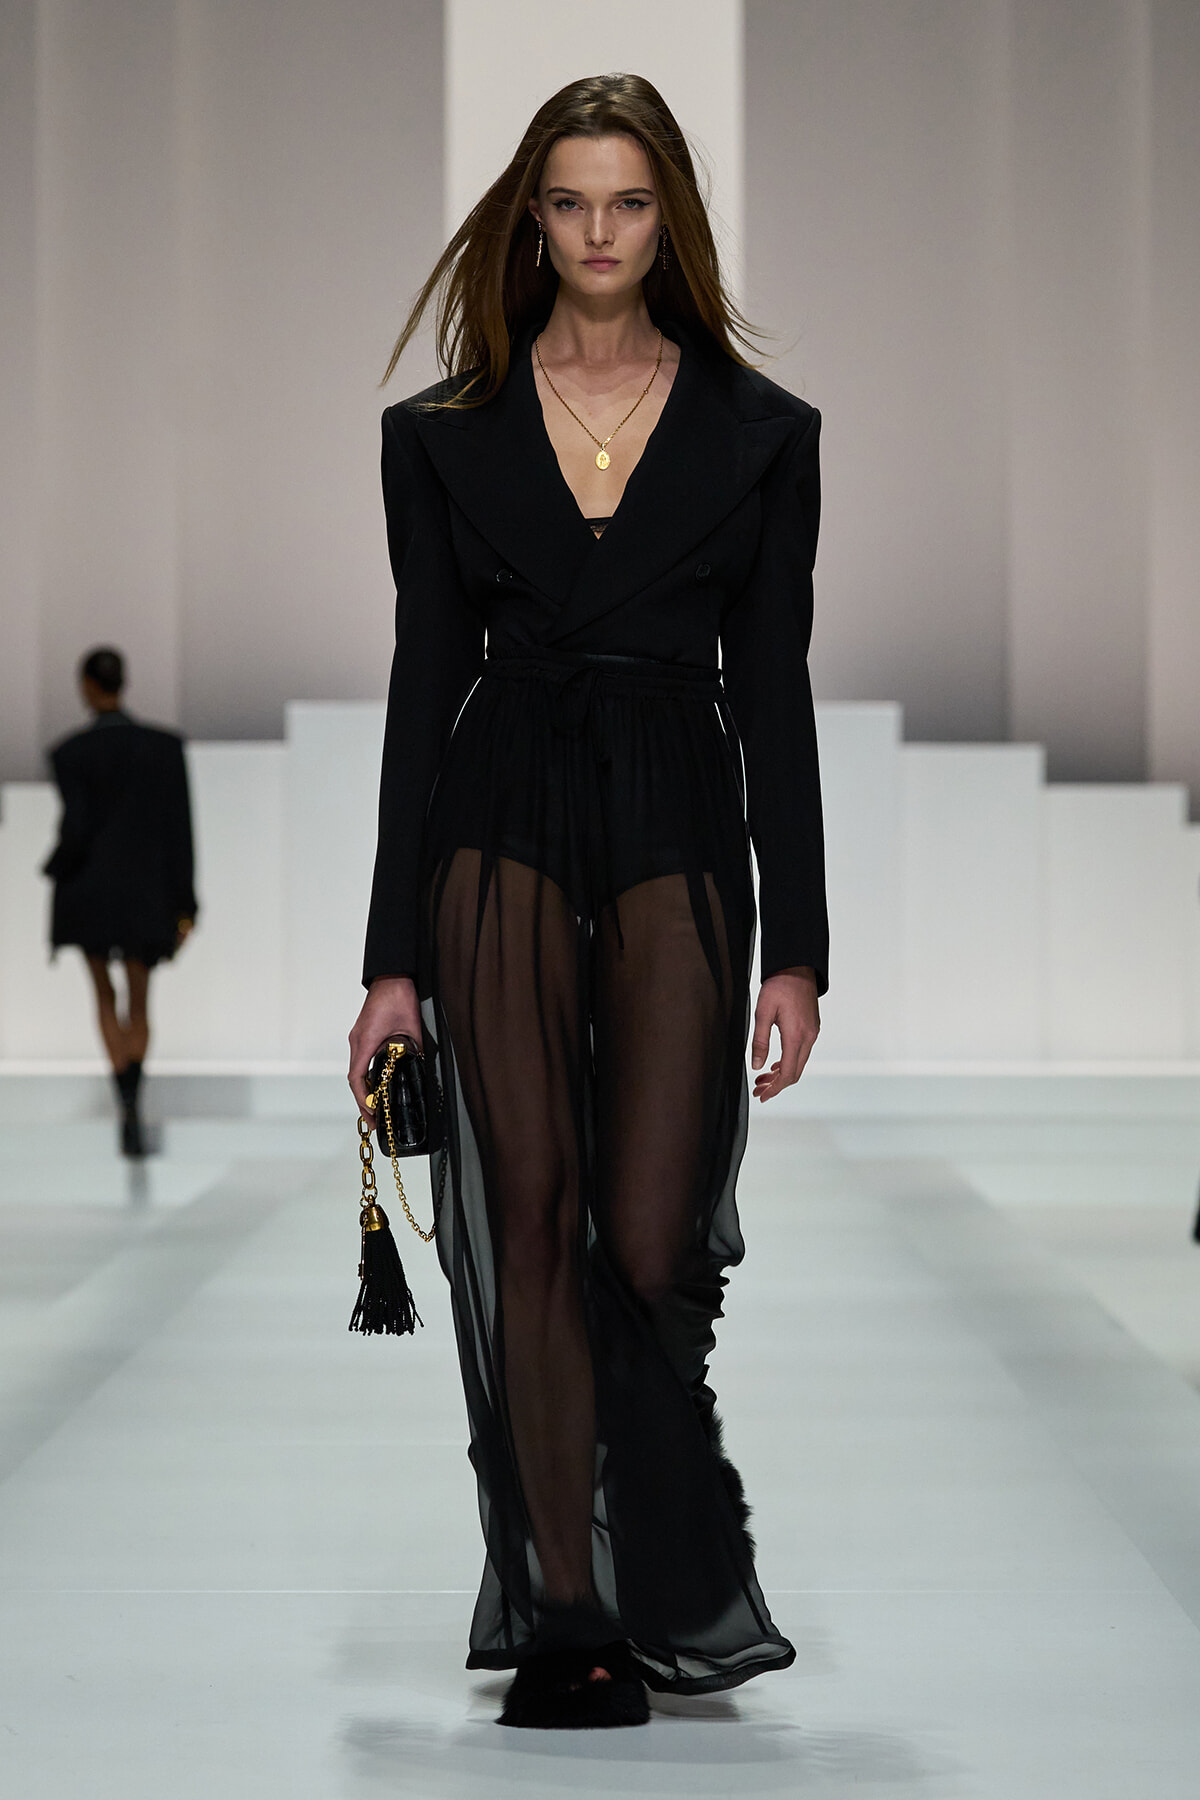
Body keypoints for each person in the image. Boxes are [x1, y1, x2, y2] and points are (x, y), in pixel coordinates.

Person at [347, 72, 827, 1730]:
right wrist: (388, 964)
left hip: (679, 820)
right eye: (570, 202)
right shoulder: (443, 436)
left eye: (628, 202)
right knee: (533, 1220)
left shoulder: (764, 436)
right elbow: (424, 687)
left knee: (646, 1236)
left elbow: (775, 693)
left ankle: (652, 1548)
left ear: (668, 217)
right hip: (500, 824)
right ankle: (570, 1610)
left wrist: (801, 949)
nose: (600, 232)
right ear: (533, 218)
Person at [44, 647, 197, 1157]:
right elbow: (179, 831)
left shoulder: (70, 754)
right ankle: (134, 1098)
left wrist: (54, 868)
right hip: (144, 892)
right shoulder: (163, 748)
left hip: (89, 889)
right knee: (139, 996)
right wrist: (186, 904)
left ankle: (125, 1102)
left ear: (87, 685)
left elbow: (76, 828)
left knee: (104, 995)